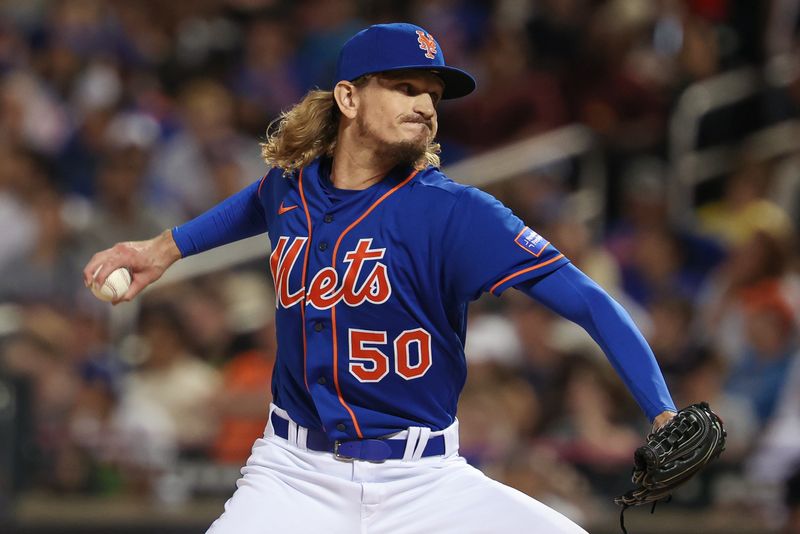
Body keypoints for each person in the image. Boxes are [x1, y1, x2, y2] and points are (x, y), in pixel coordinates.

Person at [84, 23, 677, 534]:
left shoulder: (458, 212)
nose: (425, 104)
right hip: (294, 474)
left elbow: (589, 301)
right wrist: (163, 248)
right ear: (348, 97)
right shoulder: (291, 188)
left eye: (433, 94)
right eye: (404, 87)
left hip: (425, 482)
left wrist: (661, 411)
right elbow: (255, 203)